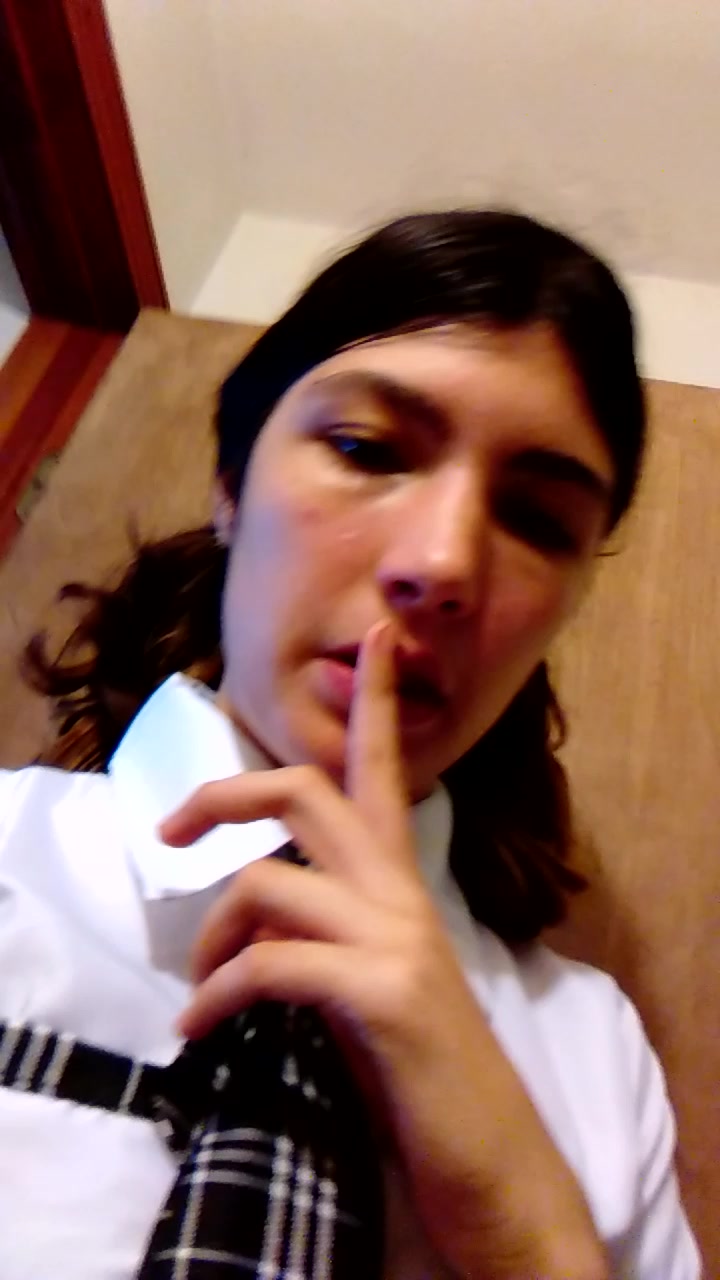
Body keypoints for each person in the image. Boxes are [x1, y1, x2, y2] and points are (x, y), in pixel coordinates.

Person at [0, 211, 701, 1279]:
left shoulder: (598, 1063)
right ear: (230, 485)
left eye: (537, 519)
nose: (443, 563)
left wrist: (527, 1224)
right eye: (367, 449)